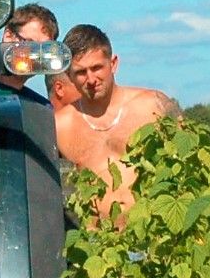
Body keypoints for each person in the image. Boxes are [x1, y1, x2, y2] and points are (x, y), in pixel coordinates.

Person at [60, 23, 179, 225]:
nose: (91, 79)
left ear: (113, 64)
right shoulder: (60, 125)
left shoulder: (153, 105)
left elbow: (188, 161)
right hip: (98, 245)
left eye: (97, 68)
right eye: (81, 72)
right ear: (69, 75)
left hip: (152, 237)